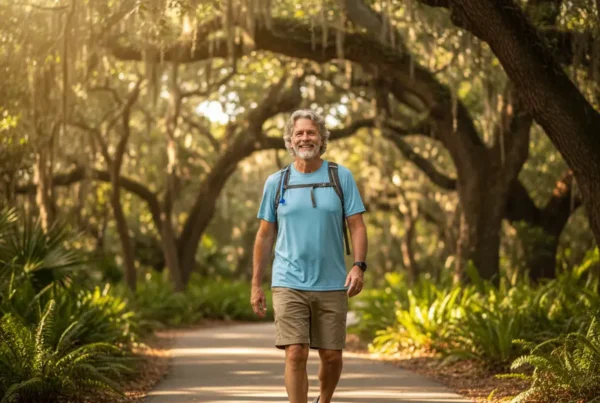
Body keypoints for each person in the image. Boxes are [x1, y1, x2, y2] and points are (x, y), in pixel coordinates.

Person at [251, 109, 368, 403]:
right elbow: (264, 235)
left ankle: (324, 400)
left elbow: (357, 225)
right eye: (299, 133)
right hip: (288, 280)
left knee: (331, 356)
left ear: (322, 138)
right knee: (295, 352)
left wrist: (358, 266)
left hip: (331, 281)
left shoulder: (340, 176)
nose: (305, 138)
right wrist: (256, 284)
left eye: (311, 132)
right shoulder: (276, 182)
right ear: (290, 140)